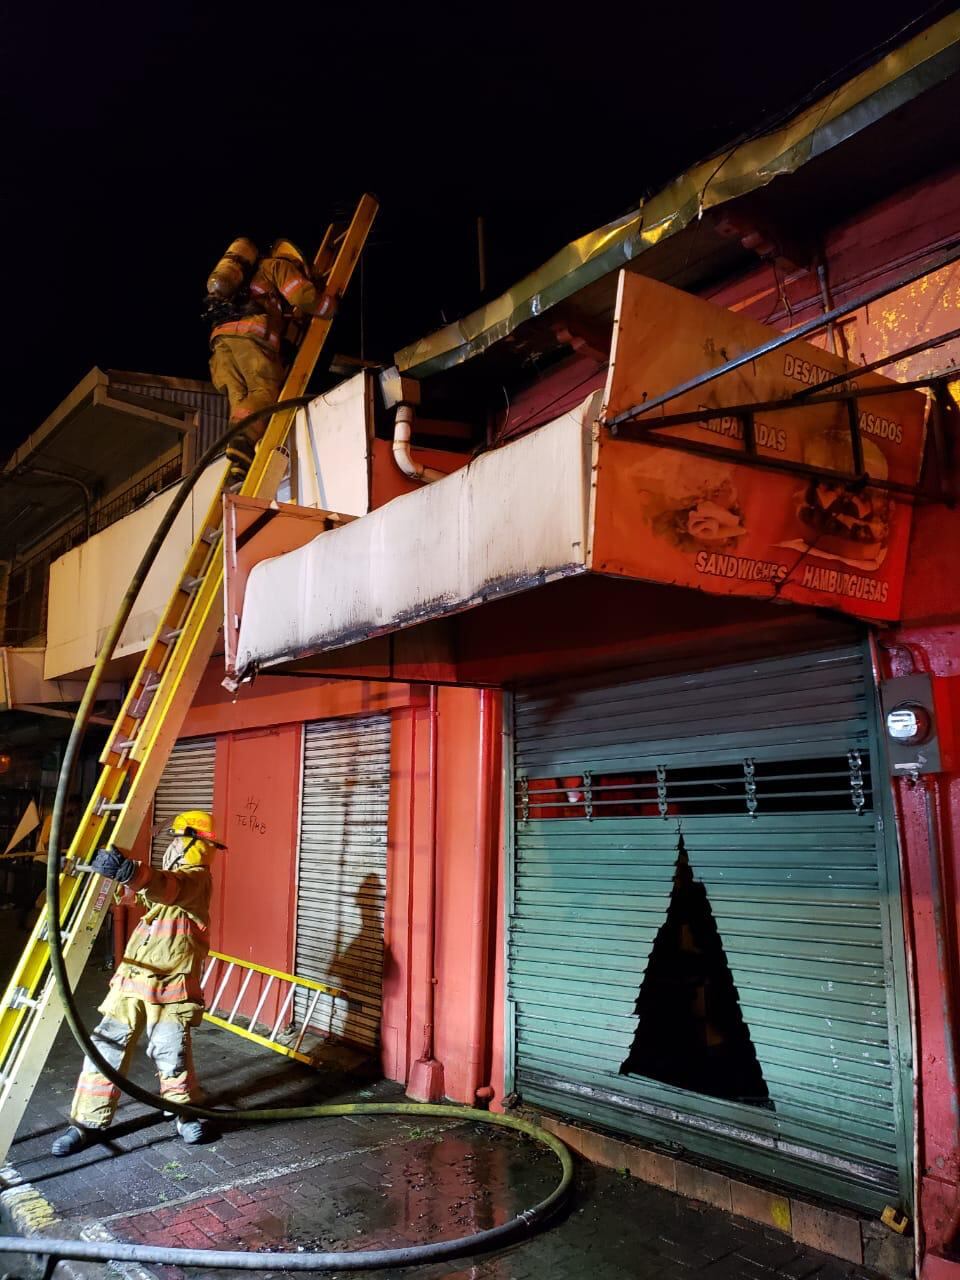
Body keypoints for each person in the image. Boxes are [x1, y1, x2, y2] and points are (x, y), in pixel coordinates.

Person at [51, 810, 225, 1156]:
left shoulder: (196, 880)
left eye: (177, 839)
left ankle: (184, 1114)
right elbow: (148, 892)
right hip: (133, 978)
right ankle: (86, 1123)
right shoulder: (170, 878)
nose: (172, 845)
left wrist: (133, 872)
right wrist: (119, 876)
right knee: (105, 1046)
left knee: (171, 1053)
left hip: (171, 984)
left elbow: (169, 888)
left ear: (189, 843)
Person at [207, 238, 334, 482]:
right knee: (264, 391)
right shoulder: (276, 266)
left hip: (220, 341)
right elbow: (302, 295)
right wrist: (328, 305)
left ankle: (240, 461)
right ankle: (244, 442)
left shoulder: (243, 280)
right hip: (250, 337)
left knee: (240, 400)